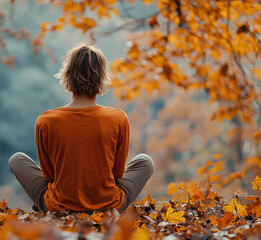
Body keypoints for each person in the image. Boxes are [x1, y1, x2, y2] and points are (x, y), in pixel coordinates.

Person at [9, 42, 154, 213]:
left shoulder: (45, 120)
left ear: (67, 76)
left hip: (60, 208)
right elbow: (117, 174)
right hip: (107, 207)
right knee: (145, 161)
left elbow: (49, 176)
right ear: (102, 78)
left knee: (16, 159)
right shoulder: (118, 118)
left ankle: (57, 206)